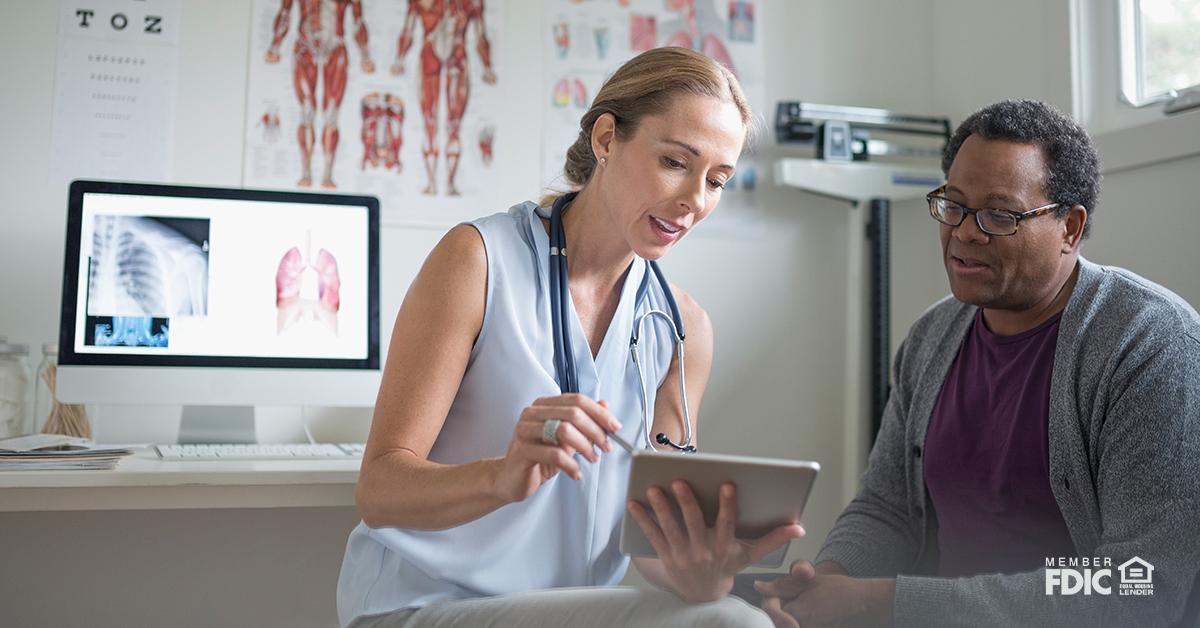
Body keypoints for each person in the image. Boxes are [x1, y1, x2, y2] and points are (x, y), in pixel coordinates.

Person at [337, 46, 803, 628]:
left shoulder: (680, 329)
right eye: (675, 162)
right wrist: (501, 476)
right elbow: (379, 489)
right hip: (423, 602)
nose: (695, 200)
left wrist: (702, 572)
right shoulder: (479, 262)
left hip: (567, 611)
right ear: (606, 138)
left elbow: (649, 541)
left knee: (731, 614)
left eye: (717, 179)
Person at [752, 99, 1200, 627]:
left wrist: (886, 603)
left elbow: (1137, 578)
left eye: (999, 215)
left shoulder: (1151, 345)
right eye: (954, 205)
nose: (964, 232)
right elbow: (887, 508)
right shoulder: (932, 337)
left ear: (1070, 229)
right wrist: (828, 580)